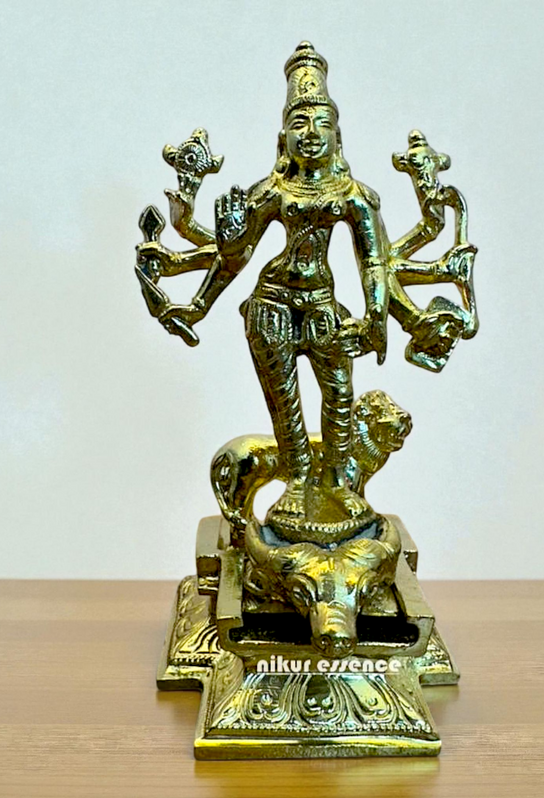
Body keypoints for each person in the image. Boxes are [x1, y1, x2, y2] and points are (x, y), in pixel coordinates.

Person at [138, 42, 389, 535]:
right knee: (285, 400)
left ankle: (337, 482)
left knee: (340, 393)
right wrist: (199, 303)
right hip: (272, 305)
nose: (310, 134)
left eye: (321, 124)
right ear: (282, 139)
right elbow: (236, 256)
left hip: (321, 305)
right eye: (299, 123)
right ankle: (297, 481)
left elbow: (374, 261)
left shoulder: (354, 196)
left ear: (338, 137)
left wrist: (375, 316)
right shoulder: (273, 191)